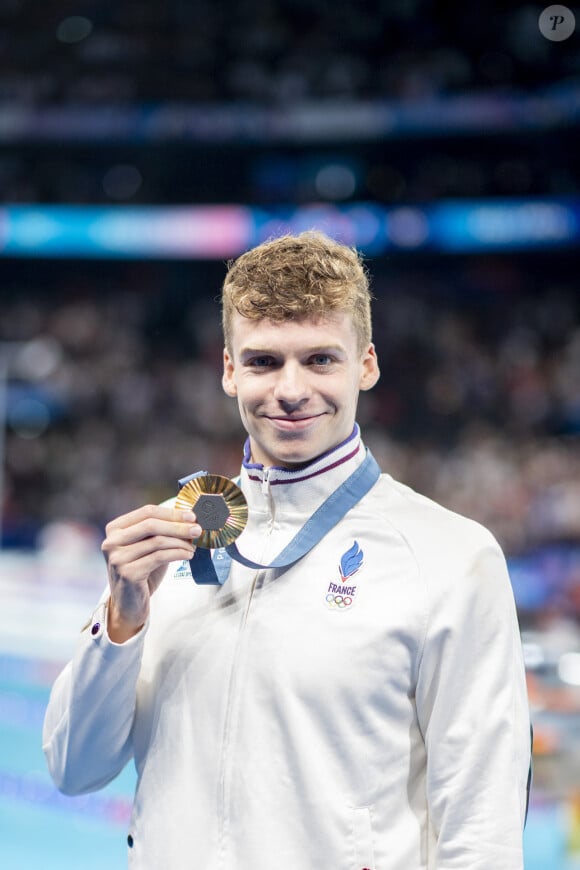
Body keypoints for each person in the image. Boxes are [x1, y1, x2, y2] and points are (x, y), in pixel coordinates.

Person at [43, 231, 531, 870]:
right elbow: (73, 768)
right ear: (228, 370)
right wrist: (122, 621)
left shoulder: (450, 556)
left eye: (321, 359)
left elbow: (481, 826)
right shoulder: (168, 543)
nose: (291, 389)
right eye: (264, 361)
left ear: (367, 364)